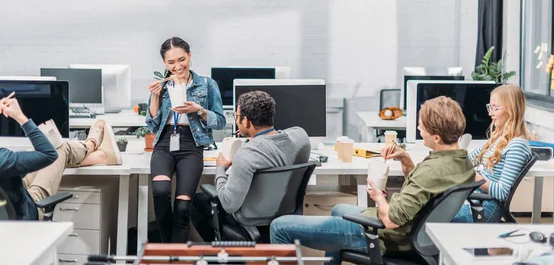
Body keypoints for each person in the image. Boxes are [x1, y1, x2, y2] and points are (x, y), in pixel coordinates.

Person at [270, 96, 475, 262]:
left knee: (279, 226)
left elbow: (391, 220)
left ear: (437, 138)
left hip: (387, 235)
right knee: (337, 209)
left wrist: (378, 196)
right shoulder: (460, 161)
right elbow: (424, 187)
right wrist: (405, 158)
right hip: (413, 229)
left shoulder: (433, 170)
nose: (419, 129)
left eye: (422, 127)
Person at [191, 90, 311, 242]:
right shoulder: (301, 137)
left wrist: (220, 168)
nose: (236, 121)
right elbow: (284, 136)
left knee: (196, 201)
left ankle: (228, 252)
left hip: (248, 218)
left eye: (237, 117)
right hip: (284, 212)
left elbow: (229, 204)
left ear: (246, 121)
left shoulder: (247, 154)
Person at [146, 37, 226, 243]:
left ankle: (178, 255)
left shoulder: (207, 85)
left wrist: (199, 110)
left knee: (182, 207)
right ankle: (167, 252)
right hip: (165, 143)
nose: (177, 66)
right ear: (164, 63)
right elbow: (152, 126)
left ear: (189, 55)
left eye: (181, 59)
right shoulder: (161, 86)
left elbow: (220, 122)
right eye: (171, 62)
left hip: (192, 145)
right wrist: (155, 97)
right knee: (161, 192)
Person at [0, 98, 117, 220]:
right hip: (24, 212)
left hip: (2, 202)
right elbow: (48, 153)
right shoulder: (0, 160)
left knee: (35, 153)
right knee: (59, 148)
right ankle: (91, 146)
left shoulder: (0, 160)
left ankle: (96, 156)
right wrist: (20, 117)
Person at [453, 84, 532, 223]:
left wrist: (470, 175)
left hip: (485, 207)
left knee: (430, 220)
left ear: (512, 110)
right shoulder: (498, 139)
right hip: (474, 200)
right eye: (489, 107)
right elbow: (470, 160)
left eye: (495, 108)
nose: (490, 113)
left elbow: (502, 193)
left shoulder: (516, 146)